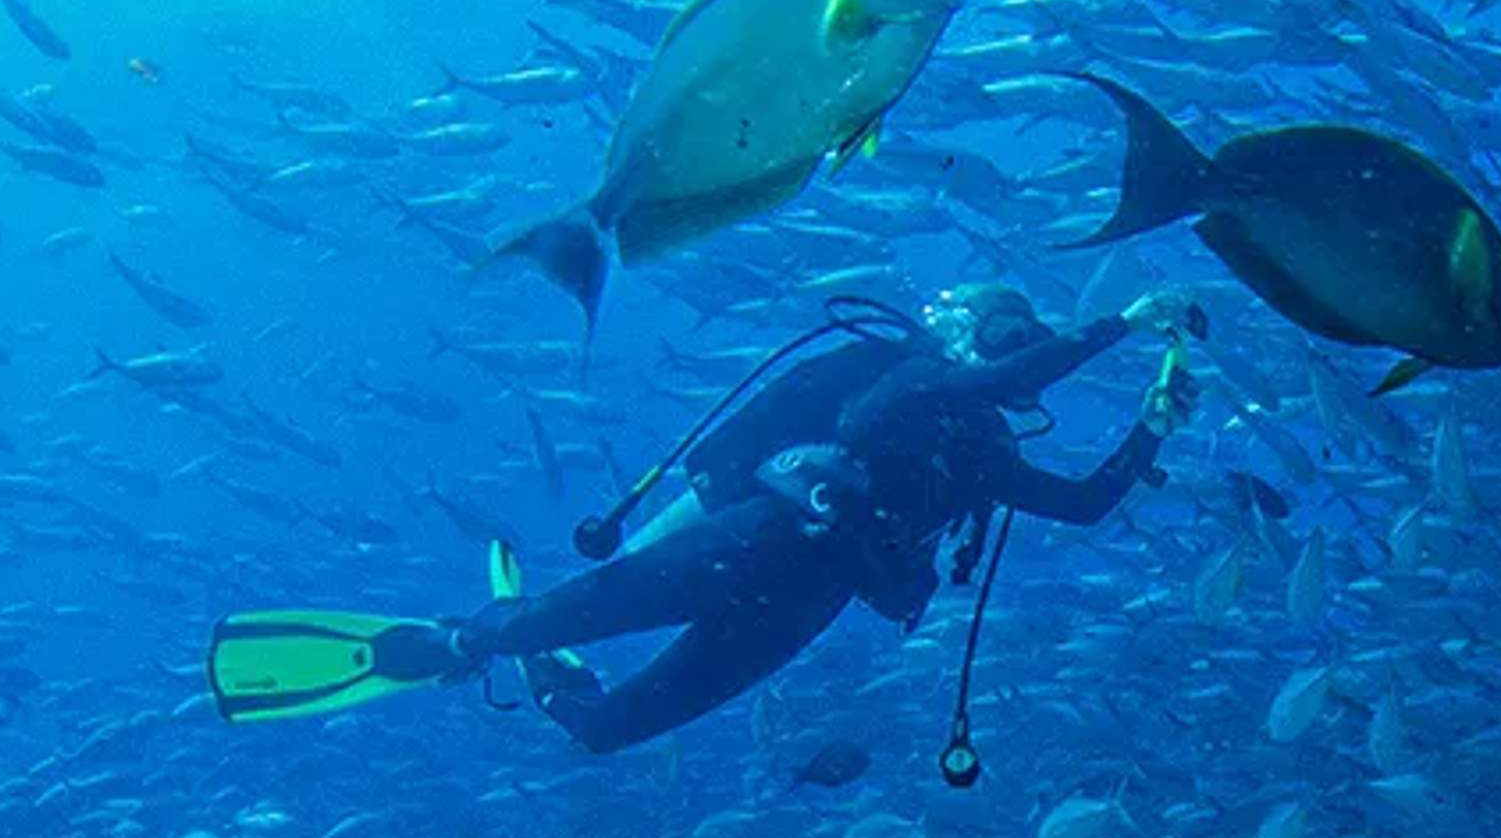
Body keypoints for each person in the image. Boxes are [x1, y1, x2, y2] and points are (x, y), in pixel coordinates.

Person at [209, 285, 1199, 752]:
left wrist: (1153, 420)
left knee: (607, 730)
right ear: (964, 338)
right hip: (758, 543)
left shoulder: (986, 456)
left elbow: (1083, 502)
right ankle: (456, 642)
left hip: (804, 606)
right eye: (1002, 332)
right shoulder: (913, 382)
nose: (1016, 351)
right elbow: (1020, 373)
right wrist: (1127, 319)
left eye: (1025, 339)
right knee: (558, 611)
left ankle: (552, 686)